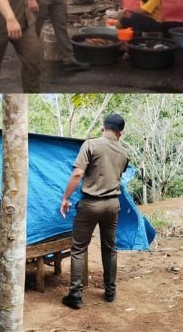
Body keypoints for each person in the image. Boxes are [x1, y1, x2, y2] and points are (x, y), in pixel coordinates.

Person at [60, 113, 129, 309]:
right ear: (120, 133)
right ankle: (110, 292)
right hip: (112, 205)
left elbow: (78, 173)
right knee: (110, 249)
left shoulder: (91, 144)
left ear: (102, 128)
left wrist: (65, 198)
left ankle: (75, 295)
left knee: (79, 248)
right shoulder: (124, 153)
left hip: (90, 205)